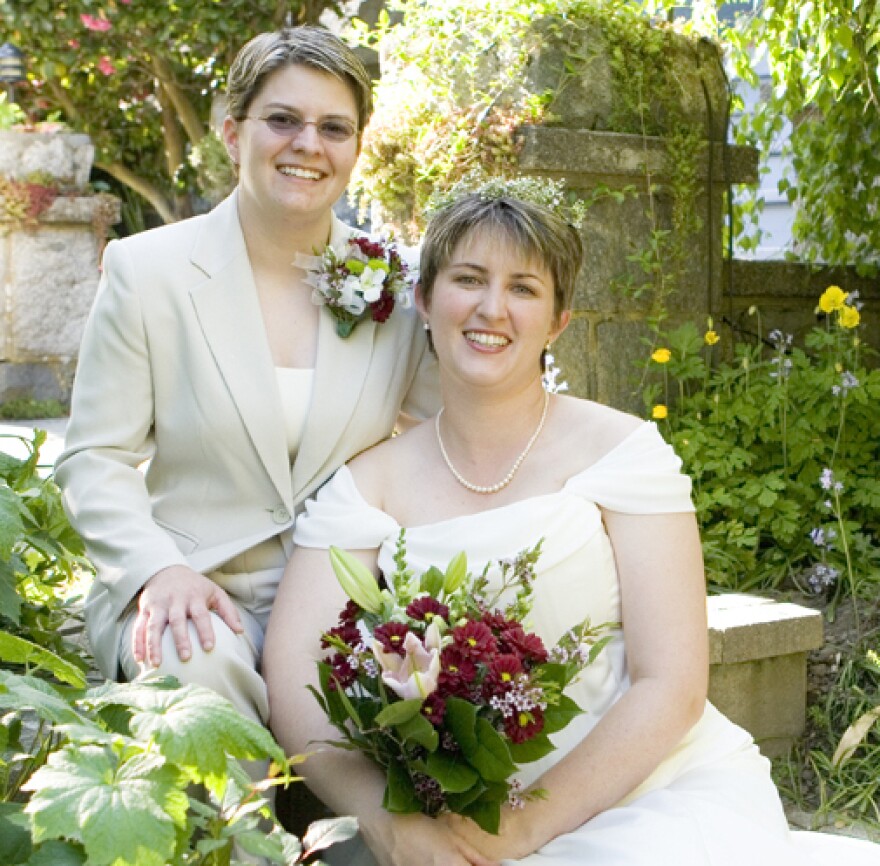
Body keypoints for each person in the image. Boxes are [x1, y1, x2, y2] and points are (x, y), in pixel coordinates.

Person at [263, 191, 880, 865]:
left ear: (558, 320)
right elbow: (295, 678)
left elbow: (670, 684)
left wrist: (523, 826)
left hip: (651, 796)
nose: (491, 309)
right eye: (468, 279)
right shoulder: (368, 483)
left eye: (522, 288)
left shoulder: (623, 454)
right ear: (425, 298)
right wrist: (384, 819)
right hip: (446, 829)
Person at [55, 26, 438, 728]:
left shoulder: (397, 285)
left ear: (356, 147)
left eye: (333, 127)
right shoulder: (149, 274)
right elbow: (96, 458)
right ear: (233, 133)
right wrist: (153, 571)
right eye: (283, 120)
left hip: (342, 596)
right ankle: (245, 844)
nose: (307, 144)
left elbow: (449, 437)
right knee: (194, 673)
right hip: (190, 589)